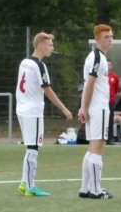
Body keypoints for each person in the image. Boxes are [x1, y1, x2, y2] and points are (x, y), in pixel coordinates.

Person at [15, 32, 72, 197]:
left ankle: (24, 182)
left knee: (32, 146)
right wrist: (64, 109)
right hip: (32, 111)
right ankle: (30, 187)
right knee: (33, 148)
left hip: (22, 109)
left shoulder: (24, 62)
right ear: (40, 45)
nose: (52, 48)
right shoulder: (39, 66)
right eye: (50, 45)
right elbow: (47, 89)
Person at [78, 24, 115, 199]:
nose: (110, 40)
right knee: (97, 147)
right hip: (98, 106)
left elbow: (88, 85)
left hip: (94, 106)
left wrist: (84, 107)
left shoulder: (93, 57)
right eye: (106, 37)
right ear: (98, 39)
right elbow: (89, 85)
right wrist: (84, 108)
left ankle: (86, 187)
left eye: (111, 36)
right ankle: (96, 189)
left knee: (92, 147)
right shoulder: (97, 57)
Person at [106, 60, 120, 144]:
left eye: (110, 65)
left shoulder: (114, 76)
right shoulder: (101, 75)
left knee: (110, 120)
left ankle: (109, 138)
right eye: (107, 64)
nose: (108, 66)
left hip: (110, 101)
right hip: (101, 101)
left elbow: (116, 89)